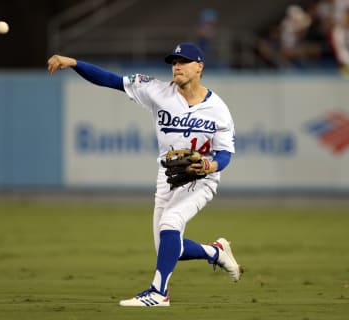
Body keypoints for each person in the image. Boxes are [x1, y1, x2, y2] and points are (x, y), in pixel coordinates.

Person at [47, 42, 241, 307]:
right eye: (174, 62)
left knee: (170, 223)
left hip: (200, 179)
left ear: (199, 67)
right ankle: (214, 251)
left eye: (183, 62)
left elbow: (225, 154)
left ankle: (159, 293)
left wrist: (210, 166)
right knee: (167, 247)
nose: (177, 67)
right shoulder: (158, 91)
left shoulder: (218, 109)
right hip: (168, 177)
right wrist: (74, 63)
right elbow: (112, 80)